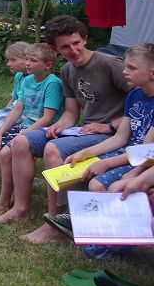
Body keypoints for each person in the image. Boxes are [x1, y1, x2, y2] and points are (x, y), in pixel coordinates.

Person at [2, 16, 128, 241]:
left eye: (76, 43)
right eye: (65, 47)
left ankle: (55, 223)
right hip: (85, 130)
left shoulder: (110, 64)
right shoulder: (68, 70)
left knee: (53, 149)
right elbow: (71, 112)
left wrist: (109, 125)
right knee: (21, 141)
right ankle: (20, 210)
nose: (73, 50)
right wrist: (59, 125)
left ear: (85, 39)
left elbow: (141, 104)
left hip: (113, 133)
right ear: (55, 50)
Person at [0, 43, 64, 219]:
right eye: (28, 59)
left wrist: (20, 134)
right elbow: (17, 109)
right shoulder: (27, 80)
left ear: (48, 65)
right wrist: (0, 132)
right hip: (26, 125)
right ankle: (12, 194)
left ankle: (5, 202)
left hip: (46, 129)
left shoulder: (53, 83)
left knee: (5, 152)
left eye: (33, 60)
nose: (28, 63)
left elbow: (47, 118)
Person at [66, 43, 154, 192]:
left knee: (97, 185)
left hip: (144, 160)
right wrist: (85, 153)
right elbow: (120, 137)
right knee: (79, 166)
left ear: (152, 73)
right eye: (125, 66)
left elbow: (146, 151)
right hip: (128, 152)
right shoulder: (134, 95)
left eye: (132, 68)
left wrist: (107, 163)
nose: (125, 72)